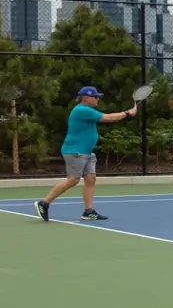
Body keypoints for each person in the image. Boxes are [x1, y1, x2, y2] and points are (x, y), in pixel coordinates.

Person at [36, 86, 138, 223]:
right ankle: (44, 203)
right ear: (86, 98)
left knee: (90, 178)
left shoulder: (88, 110)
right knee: (73, 180)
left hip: (86, 152)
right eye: (95, 97)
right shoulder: (81, 110)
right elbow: (108, 118)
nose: (98, 99)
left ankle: (88, 211)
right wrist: (127, 113)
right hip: (75, 151)